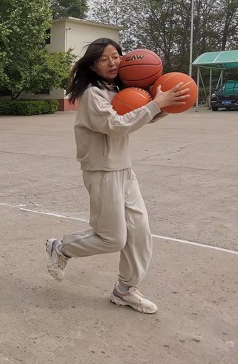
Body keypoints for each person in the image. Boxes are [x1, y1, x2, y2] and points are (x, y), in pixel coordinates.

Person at [45, 38, 189, 315]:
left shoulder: (117, 90)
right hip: (102, 171)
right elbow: (115, 125)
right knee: (112, 239)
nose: (112, 63)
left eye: (116, 56)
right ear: (93, 65)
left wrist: (164, 104)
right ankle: (62, 248)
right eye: (104, 59)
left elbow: (137, 115)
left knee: (139, 233)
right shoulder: (93, 95)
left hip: (124, 169)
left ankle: (125, 290)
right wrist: (155, 105)